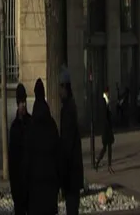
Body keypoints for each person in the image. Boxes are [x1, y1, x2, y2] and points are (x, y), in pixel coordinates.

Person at [26, 79, 60, 215]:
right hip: (50, 182)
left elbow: (27, 157)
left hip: (36, 184)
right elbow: (58, 153)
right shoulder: (51, 124)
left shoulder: (32, 125)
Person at [59, 80, 83, 215]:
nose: (59, 92)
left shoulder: (67, 110)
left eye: (61, 88)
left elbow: (67, 143)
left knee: (72, 207)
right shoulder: (70, 107)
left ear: (66, 89)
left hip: (71, 169)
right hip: (73, 170)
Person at [8, 83, 30, 215]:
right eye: (21, 102)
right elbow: (12, 158)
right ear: (17, 104)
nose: (24, 105)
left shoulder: (30, 122)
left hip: (29, 181)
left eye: (25, 102)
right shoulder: (15, 127)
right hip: (19, 181)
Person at [95, 86, 114, 173]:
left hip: (107, 128)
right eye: (108, 92)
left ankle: (107, 165)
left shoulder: (107, 101)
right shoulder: (104, 101)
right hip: (106, 129)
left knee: (108, 147)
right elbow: (105, 116)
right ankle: (98, 161)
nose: (109, 94)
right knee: (106, 148)